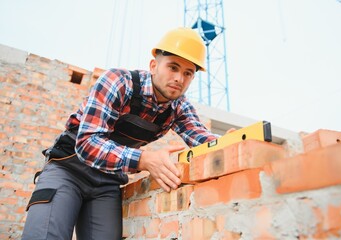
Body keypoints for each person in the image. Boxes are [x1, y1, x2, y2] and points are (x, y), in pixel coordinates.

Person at [22, 27, 219, 240]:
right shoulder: (119, 82)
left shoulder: (180, 107)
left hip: (107, 182)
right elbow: (87, 143)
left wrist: (233, 141)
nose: (179, 78)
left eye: (188, 73)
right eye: (173, 67)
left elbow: (203, 139)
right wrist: (143, 159)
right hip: (68, 170)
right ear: (154, 65)